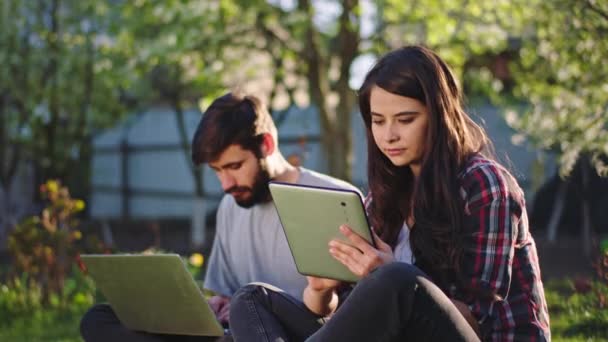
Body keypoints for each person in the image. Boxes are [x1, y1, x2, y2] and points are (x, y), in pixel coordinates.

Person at [228, 45, 551, 341]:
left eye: (405, 119)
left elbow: (478, 323)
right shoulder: (383, 196)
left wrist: (385, 273)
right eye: (378, 121)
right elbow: (346, 317)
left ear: (439, 115)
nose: (389, 136)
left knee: (397, 277)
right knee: (253, 300)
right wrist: (321, 290)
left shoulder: (484, 185)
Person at [79, 93, 360, 342]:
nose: (226, 184)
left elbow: (356, 314)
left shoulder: (333, 197)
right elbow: (225, 296)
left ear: (266, 144)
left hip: (295, 333)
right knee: (100, 318)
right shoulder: (231, 205)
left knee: (248, 303)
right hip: (233, 333)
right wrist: (208, 306)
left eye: (235, 166)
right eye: (217, 170)